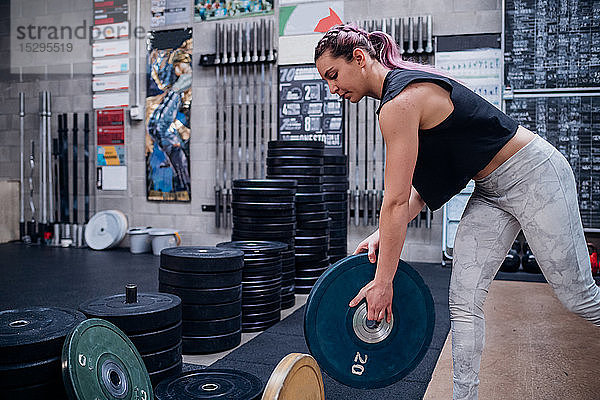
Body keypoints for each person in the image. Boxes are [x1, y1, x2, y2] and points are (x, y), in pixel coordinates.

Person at [314, 24, 600, 400]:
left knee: (578, 296)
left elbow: (396, 200)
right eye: (326, 82)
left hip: (535, 175)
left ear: (360, 58)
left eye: (333, 76)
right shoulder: (400, 96)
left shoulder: (400, 101)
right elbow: (427, 184)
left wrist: (383, 284)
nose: (333, 89)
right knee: (463, 301)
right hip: (490, 191)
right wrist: (383, 234)